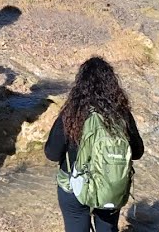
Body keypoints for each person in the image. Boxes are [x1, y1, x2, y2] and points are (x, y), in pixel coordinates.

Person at [45, 57, 145, 232]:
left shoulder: (72, 113)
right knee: (107, 228)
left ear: (79, 85)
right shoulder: (121, 114)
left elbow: (52, 154)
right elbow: (137, 152)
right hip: (110, 183)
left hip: (73, 186)